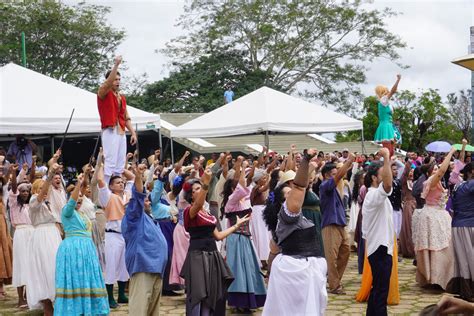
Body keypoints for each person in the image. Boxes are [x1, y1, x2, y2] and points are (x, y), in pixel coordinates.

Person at [263, 148, 328, 316]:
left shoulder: (287, 219)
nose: (293, 195)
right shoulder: (287, 214)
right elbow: (299, 187)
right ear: (283, 203)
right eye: (288, 194)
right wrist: (305, 160)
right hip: (296, 271)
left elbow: (274, 249)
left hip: (299, 268)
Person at [181, 170, 250, 315]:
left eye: (200, 188)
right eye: (196, 189)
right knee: (200, 294)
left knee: (214, 293)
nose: (200, 191)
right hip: (198, 257)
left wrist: (236, 226)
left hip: (212, 255)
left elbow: (218, 236)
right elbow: (198, 204)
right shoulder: (189, 211)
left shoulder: (206, 213)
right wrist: (206, 183)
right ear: (191, 195)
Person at [54, 174, 109, 315]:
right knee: (75, 277)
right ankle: (74, 309)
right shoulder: (66, 211)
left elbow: (82, 194)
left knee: (88, 277)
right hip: (73, 248)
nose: (79, 201)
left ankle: (89, 308)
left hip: (86, 248)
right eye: (76, 198)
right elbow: (73, 201)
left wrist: (85, 179)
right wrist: (78, 185)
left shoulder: (82, 214)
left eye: (80, 200)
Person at [122, 163, 168, 315]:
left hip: (156, 269)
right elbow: (138, 196)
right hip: (142, 268)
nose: (147, 202)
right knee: (139, 311)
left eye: (148, 200)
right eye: (145, 200)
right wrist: (138, 177)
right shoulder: (134, 217)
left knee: (152, 312)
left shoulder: (150, 218)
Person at [222, 157, 266, 311]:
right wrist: (241, 166)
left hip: (246, 238)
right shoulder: (230, 202)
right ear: (232, 190)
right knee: (238, 270)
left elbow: (245, 188)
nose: (239, 189)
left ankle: (250, 299)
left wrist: (249, 168)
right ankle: (239, 301)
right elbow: (242, 188)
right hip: (235, 238)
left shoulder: (243, 201)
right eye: (236, 188)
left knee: (249, 269)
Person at [412, 147, 456, 290]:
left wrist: (460, 150)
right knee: (435, 248)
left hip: (439, 215)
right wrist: (450, 153)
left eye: (438, 168)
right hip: (431, 216)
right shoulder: (431, 180)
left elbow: (451, 170)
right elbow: (443, 170)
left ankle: (440, 278)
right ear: (429, 172)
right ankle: (433, 279)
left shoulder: (437, 181)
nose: (438, 170)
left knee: (441, 247)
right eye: (435, 168)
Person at [360, 148, 396, 315]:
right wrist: (387, 157)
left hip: (381, 247)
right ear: (374, 178)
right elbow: (388, 185)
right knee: (381, 291)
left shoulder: (375, 195)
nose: (388, 174)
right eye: (383, 173)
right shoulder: (373, 195)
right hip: (379, 249)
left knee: (378, 290)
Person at [97, 158, 133, 308]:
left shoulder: (126, 194)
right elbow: (100, 179)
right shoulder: (108, 196)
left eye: (121, 182)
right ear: (111, 186)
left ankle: (122, 295)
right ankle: (110, 297)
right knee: (111, 266)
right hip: (112, 234)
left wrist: (120, 168)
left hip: (125, 235)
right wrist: (102, 165)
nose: (121, 184)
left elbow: (132, 177)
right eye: (117, 182)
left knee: (124, 266)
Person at [97, 55, 137, 186]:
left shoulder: (122, 97)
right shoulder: (103, 93)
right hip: (110, 129)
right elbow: (107, 84)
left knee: (120, 164)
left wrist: (133, 133)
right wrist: (116, 65)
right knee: (110, 162)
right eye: (115, 79)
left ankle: (117, 187)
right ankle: (105, 192)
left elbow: (126, 117)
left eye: (119, 79)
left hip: (120, 131)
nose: (117, 81)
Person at [27, 173, 63, 315]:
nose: (45, 189)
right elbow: (41, 196)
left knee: (55, 267)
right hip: (42, 237)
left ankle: (57, 302)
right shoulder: (34, 200)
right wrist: (49, 178)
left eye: (46, 187)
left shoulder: (49, 203)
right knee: (45, 269)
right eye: (42, 187)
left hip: (53, 236)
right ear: (35, 189)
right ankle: (47, 307)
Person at [319, 153, 355, 294]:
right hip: (330, 225)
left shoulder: (337, 187)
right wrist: (348, 162)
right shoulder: (325, 186)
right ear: (327, 175)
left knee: (345, 252)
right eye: (334, 173)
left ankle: (334, 280)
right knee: (331, 257)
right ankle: (334, 285)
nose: (339, 176)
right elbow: (339, 176)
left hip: (340, 224)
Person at [446, 161, 474, 301]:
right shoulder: (471, 185)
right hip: (469, 225)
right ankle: (470, 292)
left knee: (462, 259)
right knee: (470, 258)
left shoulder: (458, 185)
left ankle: (464, 290)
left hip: (458, 225)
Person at [8, 164, 34, 308]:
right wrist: (13, 172)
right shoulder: (13, 203)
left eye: (26, 191)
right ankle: (20, 299)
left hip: (32, 233)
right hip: (21, 233)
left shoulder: (30, 205)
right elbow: (13, 187)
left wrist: (33, 166)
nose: (24, 193)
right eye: (22, 191)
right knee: (21, 265)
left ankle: (28, 296)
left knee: (31, 264)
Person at [374, 74, 401, 156]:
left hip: (389, 126)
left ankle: (388, 165)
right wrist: (398, 80)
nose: (388, 91)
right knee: (388, 151)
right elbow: (393, 91)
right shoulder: (383, 100)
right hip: (385, 126)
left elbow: (393, 91)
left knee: (392, 151)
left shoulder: (386, 102)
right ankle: (385, 165)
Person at [0, 185, 12, 300]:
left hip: (3, 230)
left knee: (4, 255)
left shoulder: (3, 197)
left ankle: (1, 286)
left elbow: (5, 185)